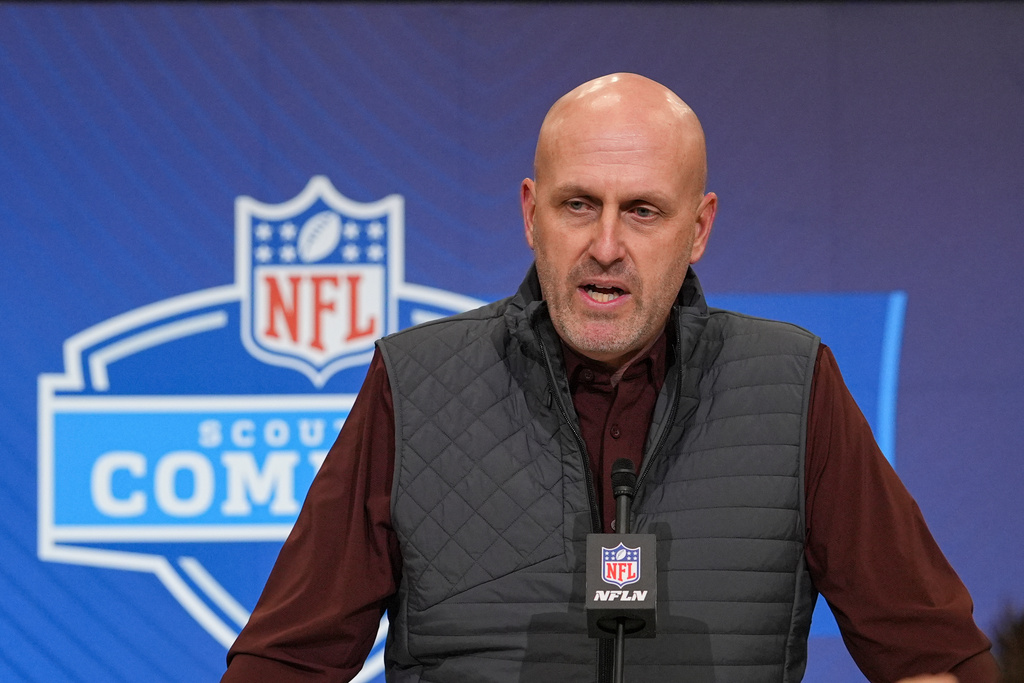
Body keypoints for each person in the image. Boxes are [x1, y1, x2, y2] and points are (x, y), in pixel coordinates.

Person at [222, 73, 999, 682]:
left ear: (699, 229)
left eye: (643, 212)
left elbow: (934, 657)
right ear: (531, 215)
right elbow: (285, 662)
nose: (604, 244)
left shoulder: (793, 387)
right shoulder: (416, 383)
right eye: (578, 204)